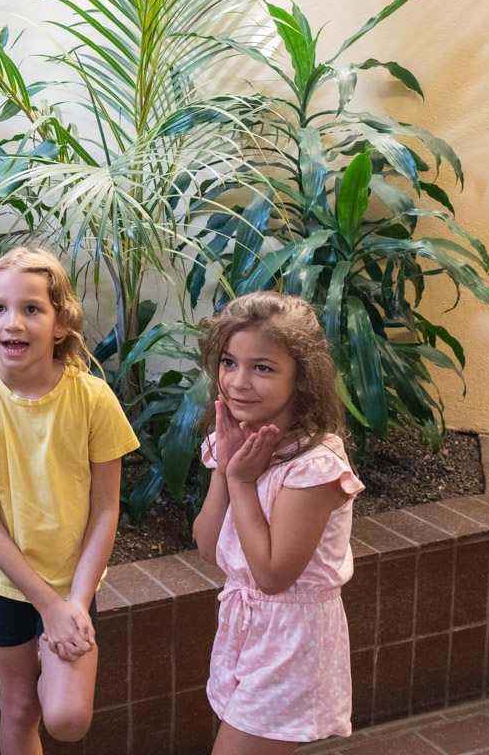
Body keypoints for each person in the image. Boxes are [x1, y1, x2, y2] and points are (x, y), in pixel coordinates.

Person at [0, 248, 138, 754]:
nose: (14, 322)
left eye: (32, 308)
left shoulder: (93, 399)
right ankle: (45, 656)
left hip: (75, 580)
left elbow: (106, 509)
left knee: (68, 720)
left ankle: (57, 656)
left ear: (61, 322)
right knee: (21, 706)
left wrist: (72, 603)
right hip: (4, 582)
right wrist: (45, 606)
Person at [191, 291, 365, 754]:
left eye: (262, 367)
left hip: (292, 642)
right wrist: (226, 471)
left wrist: (242, 482)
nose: (238, 382)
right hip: (245, 626)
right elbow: (209, 547)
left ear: (302, 378)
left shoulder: (315, 464)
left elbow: (272, 575)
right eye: (229, 362)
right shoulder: (237, 441)